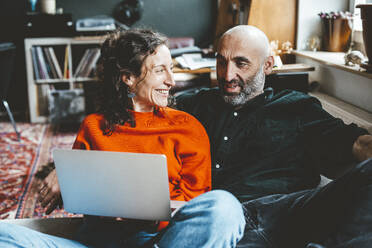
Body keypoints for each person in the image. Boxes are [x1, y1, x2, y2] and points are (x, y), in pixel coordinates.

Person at [0, 29, 245, 248]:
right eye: (160, 71)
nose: (172, 81)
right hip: (97, 241)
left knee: (224, 207)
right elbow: (81, 201)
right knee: (4, 234)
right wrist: (64, 173)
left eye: (171, 69)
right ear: (128, 78)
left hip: (161, 241)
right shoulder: (94, 126)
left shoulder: (187, 128)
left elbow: (195, 205)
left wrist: (148, 215)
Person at [175, 25, 372, 247]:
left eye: (241, 63)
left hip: (284, 216)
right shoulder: (194, 104)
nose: (227, 75)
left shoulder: (297, 108)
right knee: (220, 209)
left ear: (267, 65)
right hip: (214, 220)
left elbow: (356, 143)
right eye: (221, 62)